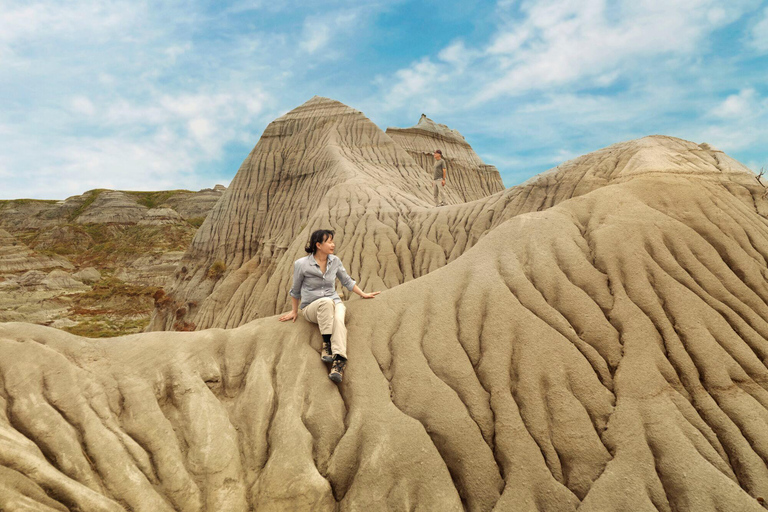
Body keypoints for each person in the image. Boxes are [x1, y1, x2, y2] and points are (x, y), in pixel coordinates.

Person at [279, 229, 380, 383]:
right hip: (311, 307)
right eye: (329, 241)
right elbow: (295, 289)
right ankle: (327, 343)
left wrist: (363, 294)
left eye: (332, 241)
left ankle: (339, 362)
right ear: (318, 245)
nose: (333, 244)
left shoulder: (335, 261)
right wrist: (294, 311)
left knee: (339, 320)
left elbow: (346, 281)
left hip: (334, 302)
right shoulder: (302, 264)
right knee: (325, 302)